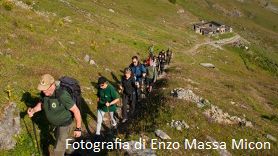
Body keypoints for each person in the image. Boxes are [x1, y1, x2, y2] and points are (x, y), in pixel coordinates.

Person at [27, 74, 82, 156]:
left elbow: (76, 110)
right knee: (59, 139)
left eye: (46, 89)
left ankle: (65, 149)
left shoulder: (62, 95)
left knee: (58, 150)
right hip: (55, 125)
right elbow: (42, 104)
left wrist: (78, 128)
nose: (44, 91)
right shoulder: (45, 93)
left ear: (52, 85)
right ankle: (70, 149)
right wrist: (33, 111)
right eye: (42, 89)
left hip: (65, 124)